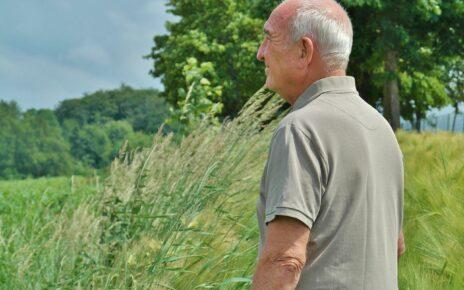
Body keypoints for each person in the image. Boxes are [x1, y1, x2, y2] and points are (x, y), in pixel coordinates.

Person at [252, 0, 405, 289]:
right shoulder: (382, 128)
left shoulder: (300, 129)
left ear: (304, 51)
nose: (261, 53)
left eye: (269, 38)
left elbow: (284, 261)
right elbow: (395, 247)